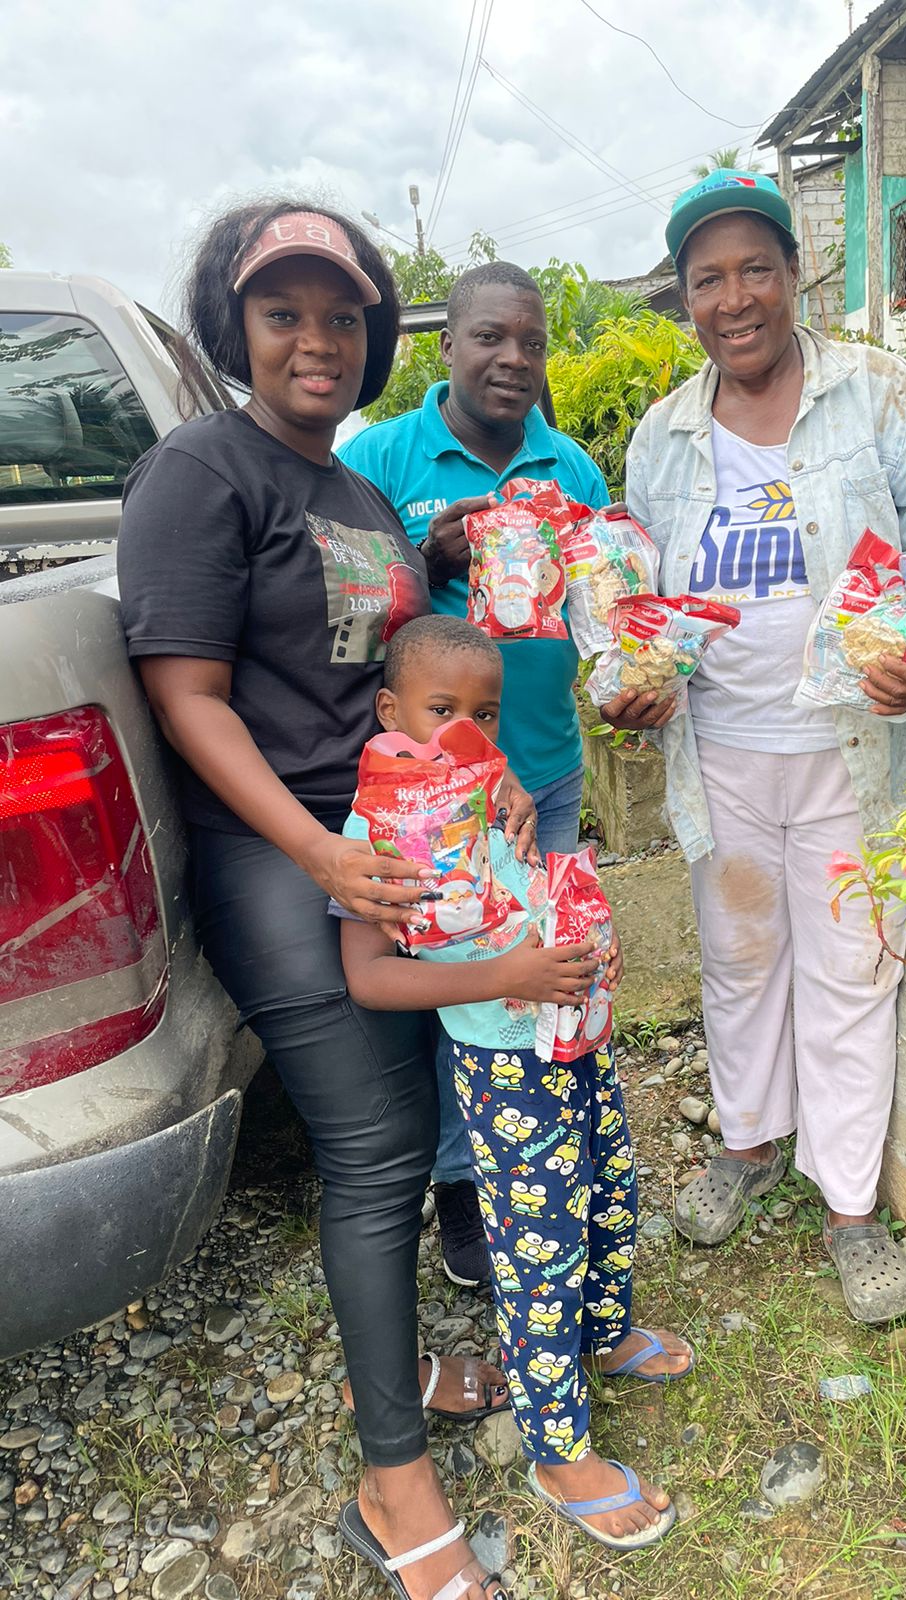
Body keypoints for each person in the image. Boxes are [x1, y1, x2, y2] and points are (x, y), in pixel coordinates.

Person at [118, 202, 531, 1600]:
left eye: (342, 316)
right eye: (283, 311)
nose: (316, 339)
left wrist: (484, 788)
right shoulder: (200, 470)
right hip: (277, 851)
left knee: (407, 1121)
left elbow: (400, 700)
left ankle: (387, 1366)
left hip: (383, 842)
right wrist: (315, 851)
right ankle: (391, 1480)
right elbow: (188, 697)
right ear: (233, 326)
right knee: (374, 1144)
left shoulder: (354, 495)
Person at [612, 171, 906, 1324]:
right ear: (686, 299)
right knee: (739, 956)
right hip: (723, 749)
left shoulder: (878, 394)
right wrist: (632, 678)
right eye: (707, 279)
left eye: (754, 270)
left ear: (794, 275)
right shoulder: (663, 437)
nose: (733, 299)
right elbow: (635, 598)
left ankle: (850, 1205)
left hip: (856, 750)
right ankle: (747, 1141)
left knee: (852, 965)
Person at [338, 614, 692, 1556]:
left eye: (484, 714)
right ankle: (557, 1449)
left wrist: (579, 931)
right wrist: (507, 976)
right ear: (390, 712)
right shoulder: (375, 828)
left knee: (611, 1191)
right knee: (541, 1246)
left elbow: (531, 890)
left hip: (574, 1032)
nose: (465, 730)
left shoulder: (499, 789)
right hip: (503, 1062)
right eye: (441, 710)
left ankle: (604, 1335)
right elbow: (369, 976)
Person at [340, 263, 610, 1288]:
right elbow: (344, 614)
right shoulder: (379, 458)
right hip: (423, 807)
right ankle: (461, 1179)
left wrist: (637, 670)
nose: (512, 359)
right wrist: (425, 557)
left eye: (531, 342)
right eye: (490, 337)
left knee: (539, 969)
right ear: (447, 344)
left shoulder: (571, 469)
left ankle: (547, 1144)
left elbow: (604, 608)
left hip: (543, 775)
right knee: (452, 976)